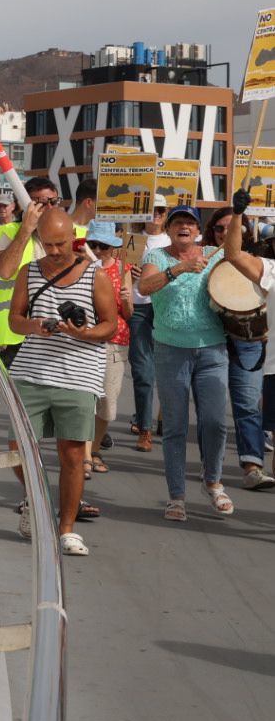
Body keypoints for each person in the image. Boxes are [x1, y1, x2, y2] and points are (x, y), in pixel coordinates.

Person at [7, 208, 119, 556]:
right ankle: (36, 497)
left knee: (72, 455)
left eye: (61, 243)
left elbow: (110, 326)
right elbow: (14, 319)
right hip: (31, 372)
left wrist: (81, 333)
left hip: (78, 374)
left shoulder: (94, 275)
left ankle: (66, 529)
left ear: (73, 236)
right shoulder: (30, 272)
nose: (55, 251)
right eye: (49, 244)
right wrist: (34, 326)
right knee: (17, 450)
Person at [137, 205, 233, 520]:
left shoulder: (215, 254)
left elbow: (238, 253)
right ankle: (176, 497)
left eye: (190, 223)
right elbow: (144, 287)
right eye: (178, 222)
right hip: (171, 350)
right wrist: (180, 269)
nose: (184, 227)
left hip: (212, 350)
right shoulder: (157, 258)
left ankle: (213, 482)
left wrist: (242, 213)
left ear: (198, 231)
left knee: (215, 423)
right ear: (169, 229)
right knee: (176, 428)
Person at [206, 191, 275, 490]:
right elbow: (232, 254)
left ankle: (251, 464)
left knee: (248, 405)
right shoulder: (270, 269)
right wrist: (237, 214)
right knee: (219, 409)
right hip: (221, 341)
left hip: (252, 344)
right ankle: (226, 468)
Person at [0, 177, 66, 367]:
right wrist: (26, 229)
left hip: (58, 329)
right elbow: (5, 271)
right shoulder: (9, 231)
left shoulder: (67, 233)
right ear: (25, 205)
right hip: (18, 334)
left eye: (53, 202)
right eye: (40, 203)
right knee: (18, 395)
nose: (48, 208)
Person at [82, 222, 132, 476]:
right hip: (85, 340)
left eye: (104, 245)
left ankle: (95, 448)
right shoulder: (81, 268)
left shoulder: (123, 269)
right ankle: (85, 456)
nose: (98, 250)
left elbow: (128, 313)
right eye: (93, 244)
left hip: (114, 341)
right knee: (85, 401)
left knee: (107, 405)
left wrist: (126, 299)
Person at [128, 200, 170, 450]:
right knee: (143, 371)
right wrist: (128, 273)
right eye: (151, 210)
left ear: (166, 215)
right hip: (139, 308)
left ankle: (166, 419)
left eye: (160, 211)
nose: (155, 215)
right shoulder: (132, 239)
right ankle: (145, 428)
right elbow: (119, 271)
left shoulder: (172, 241)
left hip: (167, 309)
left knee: (169, 370)